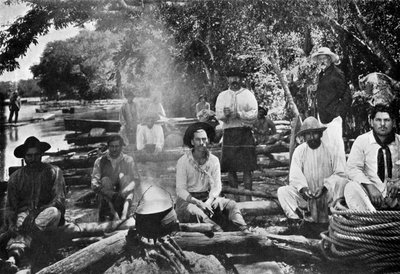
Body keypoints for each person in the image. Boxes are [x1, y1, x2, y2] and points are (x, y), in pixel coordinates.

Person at [1, 136, 66, 272]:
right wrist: (11, 224)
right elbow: (11, 206)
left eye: (36, 155)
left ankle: (16, 249)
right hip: (24, 216)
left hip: (47, 214)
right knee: (19, 220)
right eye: (29, 156)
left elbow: (58, 200)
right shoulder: (16, 177)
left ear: (42, 155)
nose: (33, 159)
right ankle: (12, 260)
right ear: (24, 157)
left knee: (53, 212)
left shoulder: (54, 172)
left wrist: (35, 214)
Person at [176, 122, 249, 232]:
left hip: (207, 198)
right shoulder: (183, 161)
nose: (202, 143)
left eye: (204, 139)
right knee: (198, 214)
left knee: (231, 205)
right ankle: (218, 234)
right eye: (198, 140)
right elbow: (180, 190)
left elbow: (217, 187)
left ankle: (245, 232)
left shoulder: (213, 160)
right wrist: (198, 203)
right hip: (189, 201)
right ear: (192, 142)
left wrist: (208, 202)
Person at [277, 117, 347, 228]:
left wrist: (324, 187)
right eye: (308, 135)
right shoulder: (300, 151)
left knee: (342, 183)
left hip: (327, 195)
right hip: (307, 196)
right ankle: (297, 221)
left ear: (320, 134)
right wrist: (304, 189)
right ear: (304, 137)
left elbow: (340, 173)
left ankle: (335, 217)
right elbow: (295, 175)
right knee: (283, 191)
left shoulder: (331, 149)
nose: (311, 137)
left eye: (314, 134)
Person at [344, 104, 400, 211]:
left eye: (387, 120)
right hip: (370, 199)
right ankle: (370, 218)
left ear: (393, 122)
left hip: (395, 197)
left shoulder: (399, 142)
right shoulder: (362, 141)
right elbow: (352, 169)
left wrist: (398, 184)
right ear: (371, 122)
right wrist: (370, 187)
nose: (382, 124)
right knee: (350, 188)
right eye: (378, 120)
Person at [215, 67, 258, 201]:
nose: (234, 80)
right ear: (228, 79)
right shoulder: (222, 96)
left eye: (237, 77)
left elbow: (254, 114)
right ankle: (236, 199)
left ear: (241, 79)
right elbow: (218, 115)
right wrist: (225, 115)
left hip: (244, 132)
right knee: (230, 169)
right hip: (229, 133)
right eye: (232, 77)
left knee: (247, 168)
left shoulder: (248, 95)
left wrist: (239, 114)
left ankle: (249, 199)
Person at [310, 47, 352, 164]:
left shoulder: (337, 73)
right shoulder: (322, 74)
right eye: (320, 59)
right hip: (322, 116)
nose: (322, 61)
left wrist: (339, 113)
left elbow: (347, 95)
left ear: (330, 59)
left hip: (334, 117)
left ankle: (340, 176)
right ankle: (328, 177)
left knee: (336, 148)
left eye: (324, 58)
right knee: (325, 147)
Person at [91, 135, 138, 221]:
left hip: (123, 195)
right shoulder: (100, 161)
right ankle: (114, 214)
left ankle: (124, 213)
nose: (114, 149)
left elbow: (135, 180)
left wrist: (125, 191)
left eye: (117, 146)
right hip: (108, 197)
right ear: (108, 147)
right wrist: (109, 193)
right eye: (112, 146)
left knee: (126, 178)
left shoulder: (128, 160)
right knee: (105, 180)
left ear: (121, 147)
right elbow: (94, 183)